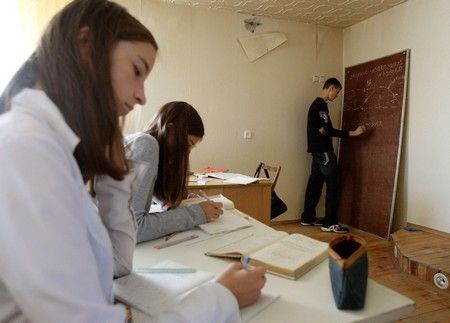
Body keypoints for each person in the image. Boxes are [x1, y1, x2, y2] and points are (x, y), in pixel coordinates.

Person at [0, 1, 265, 322]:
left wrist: (115, 180)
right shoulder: (25, 150)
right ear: (85, 47)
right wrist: (221, 297)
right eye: (137, 71)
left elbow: (117, 266)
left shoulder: (51, 148)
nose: (142, 96)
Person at [96, 101, 223, 251]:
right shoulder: (147, 145)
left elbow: (138, 191)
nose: (188, 152)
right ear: (170, 130)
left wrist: (164, 200)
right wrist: (197, 213)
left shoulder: (142, 143)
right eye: (188, 144)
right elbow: (132, 229)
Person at [300, 77, 365, 233]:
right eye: (337, 92)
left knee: (315, 183)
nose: (336, 96)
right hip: (324, 151)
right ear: (330, 88)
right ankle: (330, 223)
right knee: (333, 185)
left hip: (316, 151)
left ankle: (307, 217)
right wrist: (353, 133)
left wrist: (324, 130)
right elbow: (328, 130)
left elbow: (323, 129)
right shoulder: (321, 105)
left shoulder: (315, 105)